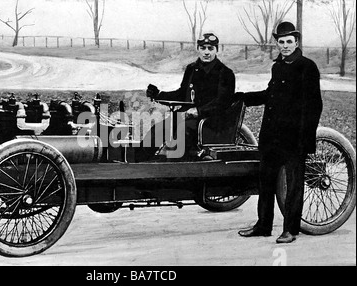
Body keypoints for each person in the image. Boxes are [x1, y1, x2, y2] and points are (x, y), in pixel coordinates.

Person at [236, 21, 323, 243]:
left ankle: (290, 230)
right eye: (281, 42)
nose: (284, 46)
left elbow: (314, 106)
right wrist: (245, 96)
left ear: (297, 42)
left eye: (288, 42)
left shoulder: (307, 67)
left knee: (294, 186)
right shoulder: (278, 66)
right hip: (271, 137)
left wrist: (305, 140)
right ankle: (264, 225)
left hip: (293, 139)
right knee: (265, 182)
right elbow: (270, 94)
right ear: (277, 43)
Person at [137, 32, 236, 161]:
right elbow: (182, 93)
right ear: (198, 49)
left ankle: (175, 167)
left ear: (217, 49)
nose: (206, 52)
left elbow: (222, 102)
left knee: (182, 130)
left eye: (210, 49)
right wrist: (159, 95)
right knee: (158, 129)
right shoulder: (192, 69)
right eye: (203, 48)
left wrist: (198, 111)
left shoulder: (226, 73)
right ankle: (138, 165)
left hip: (211, 121)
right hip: (187, 117)